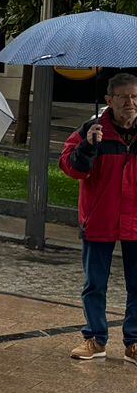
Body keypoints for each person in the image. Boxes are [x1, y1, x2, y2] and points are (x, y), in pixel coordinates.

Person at [65, 72, 137, 361]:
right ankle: (95, 338)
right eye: (123, 97)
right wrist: (88, 147)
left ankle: (133, 342)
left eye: (135, 96)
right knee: (94, 283)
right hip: (99, 218)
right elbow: (71, 168)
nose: (130, 102)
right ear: (109, 100)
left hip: (135, 220)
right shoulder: (92, 129)